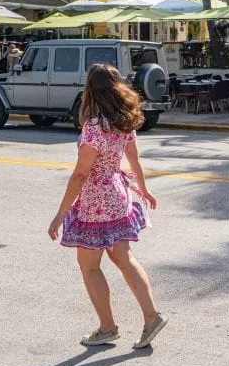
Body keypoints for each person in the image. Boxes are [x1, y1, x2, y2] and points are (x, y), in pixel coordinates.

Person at [48, 63, 167, 349]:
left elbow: (81, 174)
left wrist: (60, 214)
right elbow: (134, 161)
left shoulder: (94, 127)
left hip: (96, 200)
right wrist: (145, 191)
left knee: (89, 266)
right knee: (124, 260)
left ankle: (107, 327)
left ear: (91, 90)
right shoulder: (123, 120)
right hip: (118, 195)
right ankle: (152, 317)